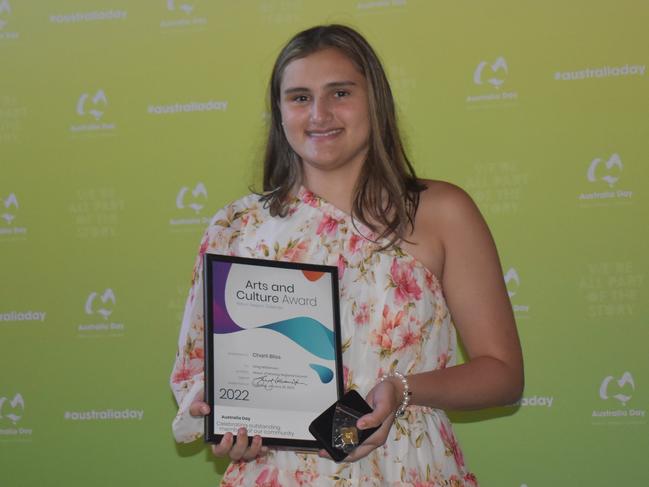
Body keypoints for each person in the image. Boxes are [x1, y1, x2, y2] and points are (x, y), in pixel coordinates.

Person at [170, 24, 523, 486]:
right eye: (299, 97)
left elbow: (502, 375)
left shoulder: (442, 212)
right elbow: (199, 375)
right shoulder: (237, 226)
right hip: (276, 473)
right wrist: (222, 419)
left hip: (408, 467)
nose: (319, 113)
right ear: (278, 113)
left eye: (340, 92)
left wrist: (403, 390)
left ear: (375, 101)